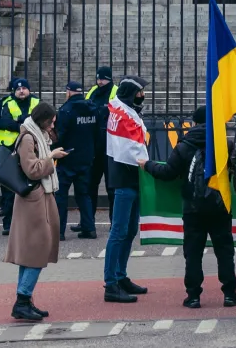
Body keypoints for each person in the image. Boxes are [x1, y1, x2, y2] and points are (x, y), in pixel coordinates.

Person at [142, 106, 236, 309]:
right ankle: (230, 294)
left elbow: (168, 172)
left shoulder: (184, 145)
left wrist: (147, 165)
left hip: (193, 207)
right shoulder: (225, 143)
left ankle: (193, 296)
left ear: (195, 123)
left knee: (193, 252)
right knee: (224, 250)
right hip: (220, 205)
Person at [5, 102, 66, 321]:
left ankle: (24, 300)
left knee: (31, 253)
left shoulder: (36, 134)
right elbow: (32, 170)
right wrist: (52, 158)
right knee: (37, 250)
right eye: (50, 121)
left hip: (39, 197)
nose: (52, 125)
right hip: (34, 199)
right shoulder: (29, 138)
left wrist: (50, 154)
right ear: (42, 119)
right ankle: (22, 301)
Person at [102, 76, 149, 304]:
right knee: (119, 232)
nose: (142, 96)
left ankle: (120, 276)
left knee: (130, 231)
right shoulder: (122, 115)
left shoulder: (125, 111)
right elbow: (132, 147)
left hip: (131, 179)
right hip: (124, 179)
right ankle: (111, 283)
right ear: (132, 93)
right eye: (140, 92)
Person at [0, 78, 41, 234]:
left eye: (24, 89)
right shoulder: (5, 102)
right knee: (9, 188)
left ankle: (30, 223)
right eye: (18, 89)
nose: (21, 91)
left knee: (31, 187)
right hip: (9, 149)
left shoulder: (36, 102)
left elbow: (42, 120)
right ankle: (8, 224)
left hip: (30, 149)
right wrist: (19, 124)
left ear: (29, 90)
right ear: (14, 91)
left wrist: (18, 121)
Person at [54, 81, 98, 240]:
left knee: (61, 196)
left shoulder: (66, 110)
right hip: (86, 157)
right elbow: (96, 132)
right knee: (84, 194)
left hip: (68, 158)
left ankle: (58, 232)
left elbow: (61, 135)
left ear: (68, 92)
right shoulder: (92, 108)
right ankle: (89, 228)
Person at [84, 66, 116, 216]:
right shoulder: (92, 91)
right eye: (98, 78)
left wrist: (99, 111)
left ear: (109, 79)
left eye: (102, 79)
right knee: (90, 185)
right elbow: (85, 108)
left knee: (112, 187)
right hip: (93, 144)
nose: (100, 82)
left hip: (110, 146)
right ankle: (88, 223)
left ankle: (114, 222)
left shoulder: (116, 91)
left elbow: (115, 111)